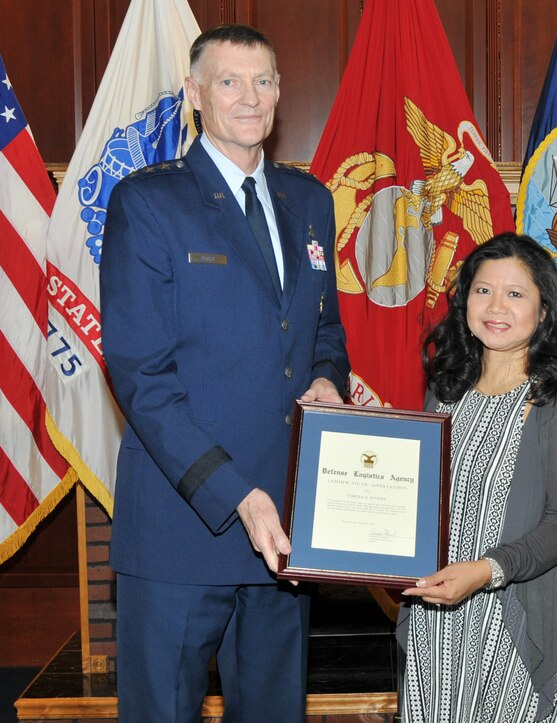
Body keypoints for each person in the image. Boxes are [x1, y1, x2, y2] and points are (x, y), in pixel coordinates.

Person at [100, 24, 348, 722]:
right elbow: (142, 376)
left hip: (286, 534)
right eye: (229, 81)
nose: (250, 97)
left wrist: (329, 379)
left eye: (263, 81)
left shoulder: (311, 201)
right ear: (195, 96)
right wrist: (236, 493)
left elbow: (323, 330)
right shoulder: (148, 203)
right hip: (185, 528)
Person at [399, 232, 557, 722]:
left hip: (516, 618)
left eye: (515, 294)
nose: (496, 306)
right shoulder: (445, 395)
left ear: (544, 311)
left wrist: (485, 571)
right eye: (482, 290)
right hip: (437, 621)